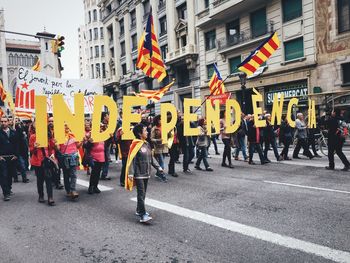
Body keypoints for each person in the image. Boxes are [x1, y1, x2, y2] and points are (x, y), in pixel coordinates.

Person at [127, 123, 163, 223]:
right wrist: (130, 173)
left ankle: (139, 210)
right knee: (141, 194)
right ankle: (143, 215)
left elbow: (151, 158)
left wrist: (158, 167)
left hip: (147, 173)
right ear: (139, 133)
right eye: (145, 130)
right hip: (138, 175)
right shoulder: (135, 145)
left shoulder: (146, 144)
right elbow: (131, 160)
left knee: (143, 194)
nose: (147, 132)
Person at [29, 122, 56, 206]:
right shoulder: (33, 137)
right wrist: (35, 147)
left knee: (48, 178)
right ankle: (41, 195)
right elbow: (31, 151)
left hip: (47, 160)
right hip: (38, 161)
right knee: (40, 179)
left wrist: (54, 143)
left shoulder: (48, 136)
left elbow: (52, 148)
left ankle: (50, 197)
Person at [56, 124, 82, 200]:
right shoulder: (59, 136)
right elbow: (57, 148)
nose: (67, 127)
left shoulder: (73, 135)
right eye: (65, 125)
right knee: (66, 175)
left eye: (68, 125)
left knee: (73, 174)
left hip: (74, 157)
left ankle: (73, 190)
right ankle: (68, 190)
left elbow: (78, 146)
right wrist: (55, 144)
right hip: (64, 158)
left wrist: (82, 141)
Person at [0, 116, 19, 201]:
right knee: (3, 175)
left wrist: (16, 155)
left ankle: (9, 188)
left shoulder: (13, 132)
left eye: (5, 121)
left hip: (12, 157)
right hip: (2, 158)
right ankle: (6, 193)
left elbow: (18, 145)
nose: (3, 123)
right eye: (2, 121)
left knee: (10, 174)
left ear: (8, 122)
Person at [83, 124, 105, 194]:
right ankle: (91, 186)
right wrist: (89, 141)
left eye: (101, 127)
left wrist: (110, 138)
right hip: (93, 156)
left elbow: (106, 144)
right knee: (94, 172)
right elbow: (85, 145)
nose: (100, 128)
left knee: (98, 172)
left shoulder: (103, 134)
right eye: (99, 127)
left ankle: (95, 186)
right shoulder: (89, 134)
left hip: (101, 156)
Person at [151, 115, 168, 182]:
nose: (161, 121)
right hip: (158, 147)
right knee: (162, 163)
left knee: (161, 162)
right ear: (157, 120)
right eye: (160, 119)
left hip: (164, 147)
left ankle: (158, 174)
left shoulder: (165, 127)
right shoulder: (154, 128)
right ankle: (162, 176)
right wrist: (158, 140)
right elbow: (151, 139)